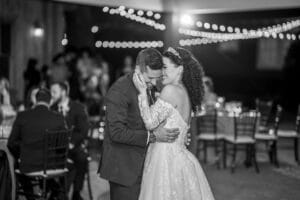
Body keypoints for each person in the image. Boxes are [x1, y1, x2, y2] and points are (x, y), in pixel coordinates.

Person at [98, 48, 180, 200]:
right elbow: (117, 133)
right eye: (150, 78)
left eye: (158, 78)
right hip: (124, 169)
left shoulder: (149, 86)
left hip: (145, 166)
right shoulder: (119, 91)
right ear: (138, 69)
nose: (155, 83)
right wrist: (153, 136)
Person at [133, 47, 215, 200]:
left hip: (164, 159)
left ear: (180, 69)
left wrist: (142, 93)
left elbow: (150, 123)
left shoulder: (170, 90)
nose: (162, 72)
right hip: (178, 155)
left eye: (165, 67)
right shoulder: (184, 92)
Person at [7, 89, 66, 198]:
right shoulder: (58, 118)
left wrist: (20, 156)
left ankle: (31, 197)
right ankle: (53, 191)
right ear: (50, 101)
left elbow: (11, 143)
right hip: (52, 166)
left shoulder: (22, 116)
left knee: (17, 165)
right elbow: (63, 146)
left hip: (29, 166)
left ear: (35, 99)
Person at [50, 81, 90, 200]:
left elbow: (83, 130)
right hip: (56, 148)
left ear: (63, 92)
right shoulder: (51, 109)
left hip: (73, 145)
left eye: (54, 92)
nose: (51, 95)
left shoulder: (77, 107)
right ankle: (58, 192)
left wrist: (72, 143)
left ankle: (76, 192)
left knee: (81, 158)